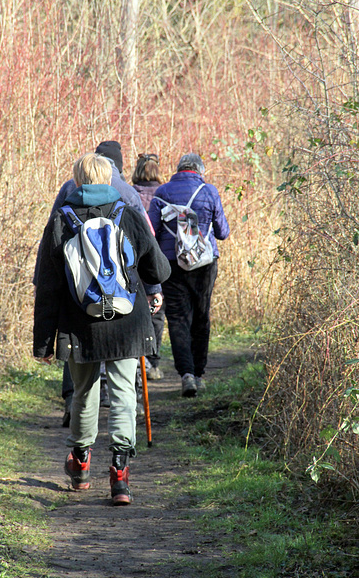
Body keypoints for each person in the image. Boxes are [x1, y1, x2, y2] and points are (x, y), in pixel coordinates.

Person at [34, 153, 170, 505]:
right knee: (125, 394)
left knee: (83, 393)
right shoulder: (129, 213)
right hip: (127, 321)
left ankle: (80, 464)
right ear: (110, 179)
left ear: (77, 181)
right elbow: (159, 269)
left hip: (80, 325)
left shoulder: (61, 220)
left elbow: (47, 288)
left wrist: (44, 343)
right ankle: (120, 474)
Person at [148, 153, 230, 398]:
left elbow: (151, 232)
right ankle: (199, 373)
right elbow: (223, 232)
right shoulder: (209, 191)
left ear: (179, 169)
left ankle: (185, 375)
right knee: (201, 316)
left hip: (171, 264)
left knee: (177, 318)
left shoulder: (162, 193)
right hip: (204, 265)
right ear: (199, 171)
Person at [132, 153, 165, 380]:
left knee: (133, 311)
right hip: (158, 262)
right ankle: (153, 363)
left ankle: (136, 361)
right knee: (156, 313)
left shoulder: (129, 193)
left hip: (134, 262)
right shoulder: (164, 194)